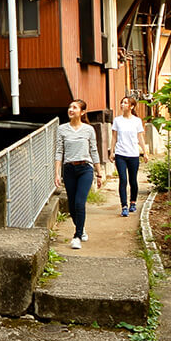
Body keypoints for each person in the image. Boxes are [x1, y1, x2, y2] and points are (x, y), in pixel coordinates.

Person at [54, 99, 102, 250]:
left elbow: (94, 150)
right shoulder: (62, 129)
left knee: (80, 203)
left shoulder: (88, 130)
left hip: (85, 169)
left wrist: (99, 173)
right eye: (70, 107)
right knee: (72, 206)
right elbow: (59, 152)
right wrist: (56, 173)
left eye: (75, 107)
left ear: (82, 112)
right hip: (69, 169)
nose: (71, 109)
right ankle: (81, 228)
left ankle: (77, 236)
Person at [109, 95, 149, 217]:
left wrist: (145, 152)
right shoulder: (117, 120)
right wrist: (112, 151)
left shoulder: (136, 121)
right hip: (121, 154)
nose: (123, 105)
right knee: (123, 180)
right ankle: (124, 206)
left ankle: (133, 202)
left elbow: (140, 137)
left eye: (125, 103)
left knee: (133, 180)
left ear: (131, 106)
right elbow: (114, 137)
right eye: (122, 103)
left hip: (133, 154)